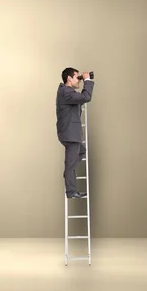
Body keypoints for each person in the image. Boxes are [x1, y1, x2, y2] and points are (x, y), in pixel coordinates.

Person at [56, 67, 94, 198]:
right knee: (70, 164)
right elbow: (86, 97)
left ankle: (68, 173)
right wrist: (87, 80)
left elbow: (81, 99)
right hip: (70, 134)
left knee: (81, 151)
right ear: (69, 78)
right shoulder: (66, 91)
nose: (79, 80)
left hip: (71, 133)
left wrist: (84, 81)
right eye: (77, 77)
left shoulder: (67, 92)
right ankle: (71, 191)